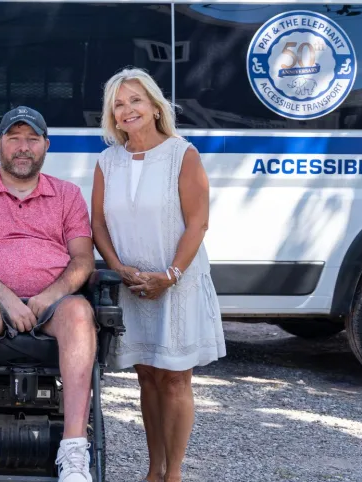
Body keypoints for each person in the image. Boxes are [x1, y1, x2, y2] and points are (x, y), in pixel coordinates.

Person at [0, 106, 97, 482]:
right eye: (14, 138)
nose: (23, 148)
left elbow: (82, 257)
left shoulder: (68, 195)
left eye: (32, 139)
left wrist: (49, 294)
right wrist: (7, 298)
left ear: (46, 145)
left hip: (54, 304)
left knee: (80, 313)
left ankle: (74, 452)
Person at [90, 67, 226, 482]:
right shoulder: (107, 161)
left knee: (174, 378)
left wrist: (170, 274)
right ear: (111, 116)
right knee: (146, 376)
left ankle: (175, 474)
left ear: (153, 106)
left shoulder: (181, 154)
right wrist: (117, 268)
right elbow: (97, 223)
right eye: (118, 104)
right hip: (132, 286)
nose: (127, 110)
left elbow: (198, 223)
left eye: (135, 100)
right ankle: (153, 471)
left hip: (176, 283)